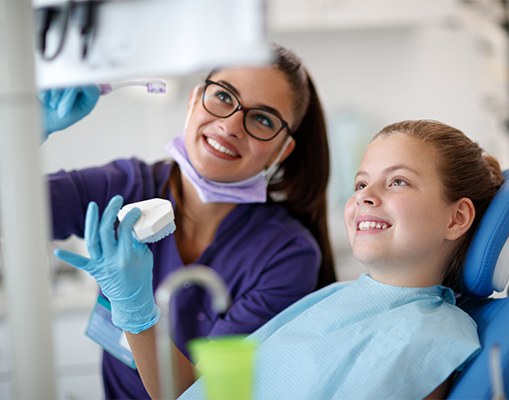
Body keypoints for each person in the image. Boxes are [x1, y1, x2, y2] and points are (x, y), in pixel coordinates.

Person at [56, 119, 504, 398]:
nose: (365, 197)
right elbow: (200, 394)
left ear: (457, 217)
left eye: (398, 182)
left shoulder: (428, 336)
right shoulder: (336, 299)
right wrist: (136, 311)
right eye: (361, 183)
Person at [43, 43, 336, 399]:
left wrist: (137, 314)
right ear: (195, 99)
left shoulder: (287, 255)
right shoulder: (124, 187)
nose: (231, 125)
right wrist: (30, 127)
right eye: (224, 97)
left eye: (262, 119)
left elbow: (207, 395)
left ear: (280, 150)